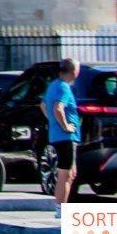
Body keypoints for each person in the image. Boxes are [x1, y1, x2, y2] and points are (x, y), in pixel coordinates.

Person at [44, 57, 81, 213]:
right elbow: (58, 108)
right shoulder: (63, 87)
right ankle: (61, 210)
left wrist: (52, 122)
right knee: (65, 174)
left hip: (58, 136)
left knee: (69, 173)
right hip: (66, 137)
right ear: (74, 71)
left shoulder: (53, 85)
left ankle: (61, 208)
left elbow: (43, 105)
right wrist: (65, 126)